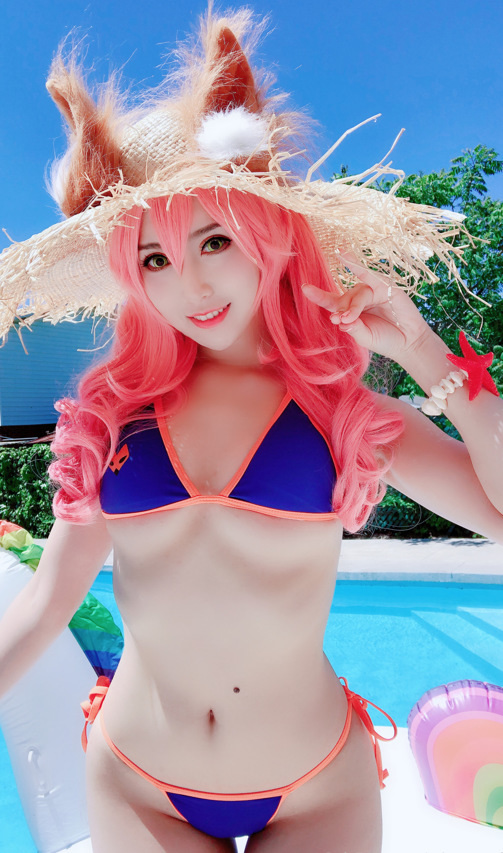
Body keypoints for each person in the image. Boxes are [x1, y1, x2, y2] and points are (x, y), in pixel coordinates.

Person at [0, 8, 502, 853]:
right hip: (138, 780)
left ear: (264, 235)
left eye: (213, 240)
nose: (189, 284)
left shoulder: (341, 412)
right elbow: (47, 603)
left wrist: (421, 351)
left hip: (314, 784)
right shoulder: (111, 422)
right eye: (154, 258)